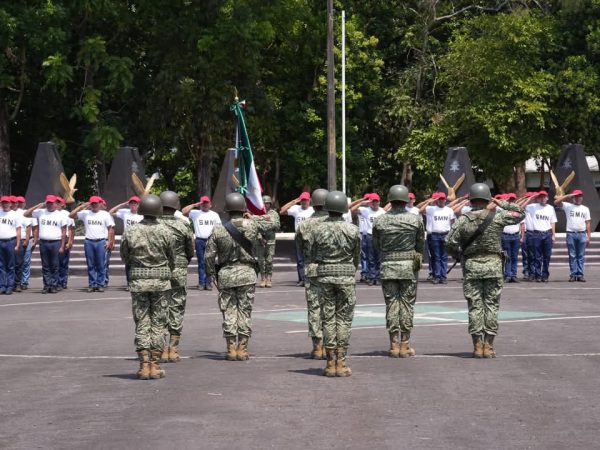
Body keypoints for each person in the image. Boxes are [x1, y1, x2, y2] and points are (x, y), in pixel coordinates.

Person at [447, 183, 525, 358]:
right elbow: (521, 213)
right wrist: (501, 202)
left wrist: (457, 255)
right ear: (487, 199)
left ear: (471, 200)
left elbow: (449, 242)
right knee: (491, 305)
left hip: (472, 267)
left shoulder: (463, 220)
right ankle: (488, 346)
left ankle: (477, 345)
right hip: (493, 267)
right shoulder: (497, 217)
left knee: (475, 307)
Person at [120, 194, 175, 380]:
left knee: (142, 322)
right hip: (161, 283)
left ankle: (144, 365)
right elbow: (172, 257)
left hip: (139, 282)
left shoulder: (130, 231)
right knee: (158, 323)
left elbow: (125, 256)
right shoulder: (166, 231)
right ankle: (155, 365)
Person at [205, 193, 259, 361]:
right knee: (244, 311)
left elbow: (209, 256)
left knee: (229, 312)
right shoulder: (252, 226)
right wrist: (251, 216)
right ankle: (242, 348)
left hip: (226, 275)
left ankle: (230, 348)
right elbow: (272, 222)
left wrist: (211, 274)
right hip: (247, 274)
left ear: (227, 210)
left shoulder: (218, 229)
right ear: (243, 209)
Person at [311, 191, 360, 377]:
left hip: (325, 277)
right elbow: (356, 256)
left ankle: (331, 362)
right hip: (346, 276)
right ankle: (341, 361)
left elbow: (314, 255)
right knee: (344, 319)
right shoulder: (352, 230)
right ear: (344, 209)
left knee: (328, 318)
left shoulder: (317, 229)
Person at [373, 185, 424, 358]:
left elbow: (376, 245)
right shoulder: (415, 219)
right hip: (408, 267)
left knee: (392, 304)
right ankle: (405, 344)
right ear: (405, 200)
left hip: (388, 266)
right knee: (407, 304)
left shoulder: (380, 220)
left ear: (390, 200)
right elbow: (420, 244)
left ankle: (393, 344)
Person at [158, 191, 194, 362]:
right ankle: (173, 349)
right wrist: (182, 262)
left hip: (159, 270)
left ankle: (160, 347)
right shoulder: (183, 225)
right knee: (176, 307)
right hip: (178, 270)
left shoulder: (153, 224)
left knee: (159, 308)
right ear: (176, 206)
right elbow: (190, 251)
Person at [295, 188, 329, 359]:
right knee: (330, 307)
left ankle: (317, 346)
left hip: (312, 269)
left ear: (313, 204)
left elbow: (300, 248)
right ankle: (330, 345)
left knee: (314, 307)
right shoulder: (334, 224)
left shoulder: (304, 225)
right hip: (330, 270)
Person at [70, 196, 115, 292]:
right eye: (92, 203)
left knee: (101, 265)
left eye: (96, 203)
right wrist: (82, 206)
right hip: (89, 241)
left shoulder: (105, 214)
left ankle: (100, 284)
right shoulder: (86, 213)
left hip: (101, 241)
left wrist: (109, 241)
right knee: (90, 264)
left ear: (100, 204)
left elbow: (110, 229)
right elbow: (71, 215)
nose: (94, 205)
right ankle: (92, 284)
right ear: (90, 204)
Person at [24, 195, 67, 294]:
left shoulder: (60, 215)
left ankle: (54, 285)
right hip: (44, 242)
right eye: (48, 203)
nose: (49, 205)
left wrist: (62, 246)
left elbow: (64, 232)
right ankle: (47, 285)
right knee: (45, 265)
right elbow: (26, 214)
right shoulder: (41, 212)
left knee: (55, 265)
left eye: (51, 203)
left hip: (55, 242)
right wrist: (38, 205)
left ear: (55, 204)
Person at [182, 196, 221, 290]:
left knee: (210, 262)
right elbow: (183, 212)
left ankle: (208, 283)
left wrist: (218, 241)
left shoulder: (214, 215)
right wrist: (194, 205)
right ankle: (201, 283)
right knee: (201, 262)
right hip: (199, 240)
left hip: (211, 240)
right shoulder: (195, 213)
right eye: (203, 203)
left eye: (206, 203)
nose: (205, 205)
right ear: (200, 204)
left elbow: (219, 228)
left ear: (210, 204)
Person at [554, 189, 592, 282]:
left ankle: (580, 274)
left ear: (582, 198)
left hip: (582, 234)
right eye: (576, 197)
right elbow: (556, 202)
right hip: (571, 233)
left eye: (579, 196)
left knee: (580, 255)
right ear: (573, 198)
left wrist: (589, 236)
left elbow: (588, 223)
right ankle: (573, 274)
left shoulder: (585, 209)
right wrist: (568, 195)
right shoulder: (568, 206)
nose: (578, 198)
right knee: (572, 255)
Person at [419, 192, 456, 284]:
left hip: (446, 234)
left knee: (444, 257)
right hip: (434, 235)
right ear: (437, 200)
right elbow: (420, 210)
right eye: (440, 199)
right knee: (436, 256)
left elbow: (453, 223)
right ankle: (437, 276)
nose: (441, 200)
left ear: (445, 200)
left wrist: (452, 235)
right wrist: (429, 201)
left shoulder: (449, 210)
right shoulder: (431, 209)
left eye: (443, 199)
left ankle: (443, 277)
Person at [350, 192, 385, 285]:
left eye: (376, 201)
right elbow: (352, 210)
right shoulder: (366, 210)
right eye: (373, 202)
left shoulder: (382, 211)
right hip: (370, 236)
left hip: (379, 236)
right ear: (370, 202)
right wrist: (362, 202)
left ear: (379, 202)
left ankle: (378, 277)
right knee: (370, 258)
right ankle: (371, 277)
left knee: (379, 258)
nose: (375, 203)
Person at [280, 191, 314, 286]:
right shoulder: (296, 209)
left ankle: (310, 279)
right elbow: (282, 211)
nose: (304, 202)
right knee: (300, 259)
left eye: (306, 200)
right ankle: (302, 279)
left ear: (309, 200)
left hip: (310, 236)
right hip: (299, 236)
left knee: (310, 259)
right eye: (302, 200)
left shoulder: (313, 210)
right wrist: (293, 202)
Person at [109, 196, 143, 288]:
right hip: (127, 241)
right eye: (131, 203)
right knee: (128, 263)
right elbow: (110, 212)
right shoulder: (125, 213)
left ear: (138, 204)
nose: (133, 205)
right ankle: (129, 283)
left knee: (138, 262)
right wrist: (122, 204)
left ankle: (138, 282)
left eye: (135, 203)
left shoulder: (142, 215)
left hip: (138, 241)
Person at [525, 191, 557, 282]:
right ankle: (538, 275)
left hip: (547, 233)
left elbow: (553, 222)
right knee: (537, 256)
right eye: (540, 197)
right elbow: (521, 206)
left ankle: (545, 275)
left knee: (547, 256)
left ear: (547, 198)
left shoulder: (550, 208)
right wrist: (531, 197)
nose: (543, 199)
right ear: (538, 198)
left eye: (544, 197)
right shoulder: (533, 207)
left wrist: (553, 235)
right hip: (537, 234)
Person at [253, 195, 280, 288]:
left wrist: (265, 223)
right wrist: (260, 237)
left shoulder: (274, 214)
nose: (266, 205)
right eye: (264, 203)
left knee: (269, 260)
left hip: (270, 239)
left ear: (270, 204)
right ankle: (262, 278)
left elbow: (277, 225)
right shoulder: (257, 213)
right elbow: (254, 227)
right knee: (261, 260)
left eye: (267, 203)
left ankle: (269, 278)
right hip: (259, 240)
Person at [500, 193, 523, 283]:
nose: (512, 202)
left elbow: (522, 225)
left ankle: (514, 275)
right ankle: (507, 275)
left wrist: (521, 236)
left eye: (513, 200)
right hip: (506, 236)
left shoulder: (519, 211)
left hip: (516, 236)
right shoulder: (503, 211)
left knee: (514, 257)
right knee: (507, 257)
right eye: (510, 200)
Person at [0, 196, 21, 295]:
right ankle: (2, 286)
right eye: (3, 202)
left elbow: (18, 230)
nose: (5, 204)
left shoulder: (14, 215)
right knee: (1, 265)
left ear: (10, 204)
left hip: (10, 241)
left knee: (10, 265)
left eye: (6, 202)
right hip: (0, 241)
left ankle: (9, 286)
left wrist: (18, 244)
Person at [349, 193, 372, 283]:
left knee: (371, 256)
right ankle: (365, 273)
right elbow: (351, 210)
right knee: (364, 256)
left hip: (371, 234)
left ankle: (371, 273)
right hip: (362, 234)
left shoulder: (374, 209)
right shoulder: (361, 209)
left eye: (369, 199)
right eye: (367, 199)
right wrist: (361, 201)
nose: (368, 201)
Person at [13, 196, 32, 292]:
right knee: (11, 263)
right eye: (14, 202)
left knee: (21, 263)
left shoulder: (23, 213)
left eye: (19, 202)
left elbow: (28, 227)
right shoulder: (7, 213)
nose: (17, 204)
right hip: (11, 240)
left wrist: (27, 240)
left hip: (22, 240)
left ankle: (21, 282)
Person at [56, 197, 75, 290]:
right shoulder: (51, 213)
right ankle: (56, 281)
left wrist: (70, 241)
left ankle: (63, 281)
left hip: (65, 239)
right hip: (55, 239)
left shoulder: (67, 214)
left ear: (63, 204)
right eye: (56, 202)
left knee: (63, 263)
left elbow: (71, 229)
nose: (57, 204)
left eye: (58, 202)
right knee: (56, 263)